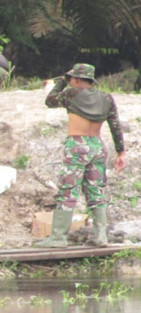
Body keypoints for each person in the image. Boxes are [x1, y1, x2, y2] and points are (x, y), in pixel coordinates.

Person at [35, 63, 125, 248]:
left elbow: (50, 100)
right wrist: (120, 151)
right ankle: (101, 237)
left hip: (77, 145)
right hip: (98, 145)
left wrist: (61, 82)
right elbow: (115, 125)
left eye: (71, 79)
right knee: (95, 191)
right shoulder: (107, 97)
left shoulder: (71, 93)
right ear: (91, 80)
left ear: (75, 80)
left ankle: (58, 238)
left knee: (68, 190)